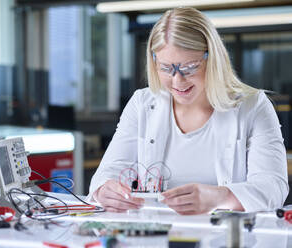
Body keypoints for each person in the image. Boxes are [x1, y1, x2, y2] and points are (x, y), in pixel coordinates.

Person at [88, 7, 289, 215]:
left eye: (190, 67)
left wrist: (218, 197)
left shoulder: (253, 106)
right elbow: (108, 172)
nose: (178, 81)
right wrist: (104, 190)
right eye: (166, 68)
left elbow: (273, 187)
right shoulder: (142, 104)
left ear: (212, 59)